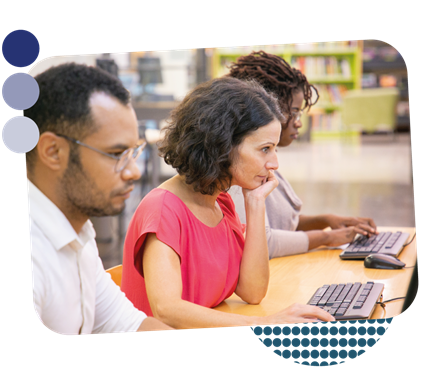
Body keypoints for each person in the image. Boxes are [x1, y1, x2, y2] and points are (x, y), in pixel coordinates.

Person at [121, 77, 335, 329]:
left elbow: (253, 291)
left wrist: (255, 204)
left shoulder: (220, 201)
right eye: (265, 149)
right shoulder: (163, 209)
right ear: (222, 145)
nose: (274, 163)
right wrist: (262, 322)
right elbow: (166, 310)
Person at [26, 62, 173, 335]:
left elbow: (126, 323)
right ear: (53, 151)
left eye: (133, 152)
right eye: (116, 154)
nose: (133, 172)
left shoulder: (77, 231)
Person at [226, 51, 378, 259]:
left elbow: (282, 224)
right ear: (268, 109)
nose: (298, 122)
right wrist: (327, 238)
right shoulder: (244, 170)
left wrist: (326, 220)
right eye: (294, 111)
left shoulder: (266, 161)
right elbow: (263, 241)